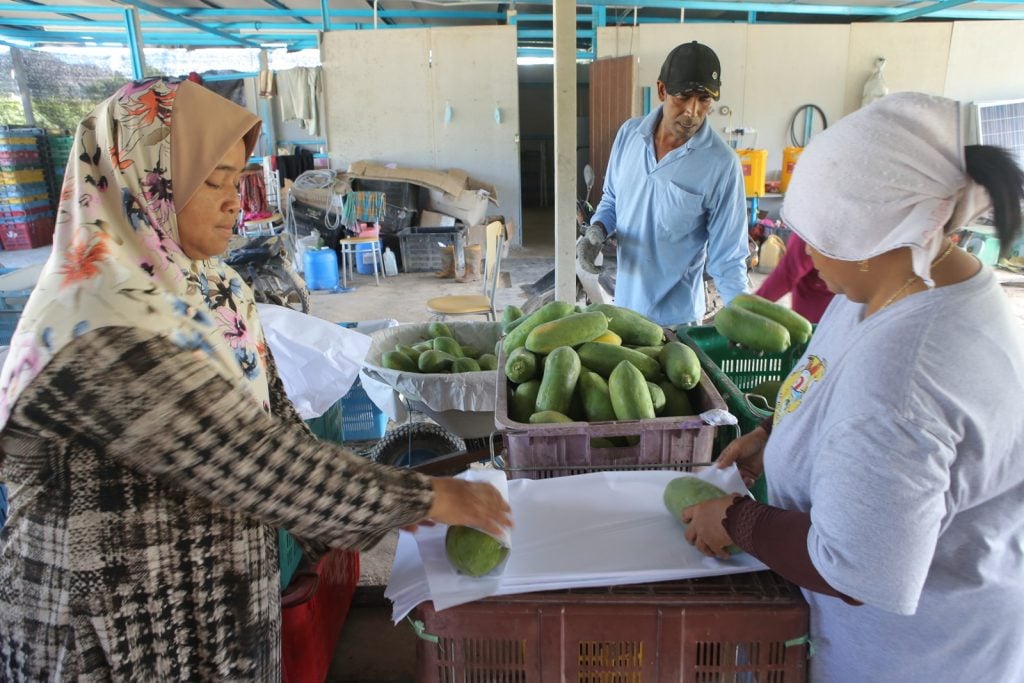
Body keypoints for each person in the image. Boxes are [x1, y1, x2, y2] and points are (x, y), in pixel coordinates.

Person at [0, 78, 512, 680]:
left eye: (235, 182)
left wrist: (379, 496)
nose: (233, 204)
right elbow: (251, 461)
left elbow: (279, 429)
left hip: (209, 610)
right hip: (111, 630)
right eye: (211, 182)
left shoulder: (211, 291)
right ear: (141, 180)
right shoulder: (97, 322)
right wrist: (418, 499)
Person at [680, 92, 1024, 681]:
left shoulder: (904, 378)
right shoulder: (895, 283)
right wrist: (775, 431)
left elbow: (856, 565)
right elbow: (828, 374)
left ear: (878, 237)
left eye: (821, 240)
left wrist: (737, 520)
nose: (805, 256)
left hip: (912, 659)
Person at [578, 41, 749, 327]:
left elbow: (729, 261)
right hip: (625, 312)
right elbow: (612, 199)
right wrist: (598, 229)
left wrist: (744, 319)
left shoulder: (721, 165)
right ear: (661, 90)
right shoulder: (629, 135)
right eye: (683, 97)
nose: (693, 111)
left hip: (677, 324)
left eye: (704, 99)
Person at [754, 231, 834, 322]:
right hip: (812, 310)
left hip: (817, 317)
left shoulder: (812, 232)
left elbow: (785, 276)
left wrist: (750, 306)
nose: (808, 250)